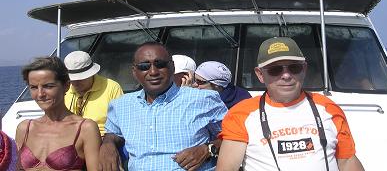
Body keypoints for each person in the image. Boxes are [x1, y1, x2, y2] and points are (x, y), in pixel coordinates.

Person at [217, 37, 364, 171]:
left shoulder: (328, 108)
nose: (286, 76)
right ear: (260, 75)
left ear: (304, 69)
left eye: (294, 67)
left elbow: (347, 161)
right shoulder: (240, 114)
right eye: (275, 70)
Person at [99, 41, 227, 171]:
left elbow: (234, 137)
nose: (153, 72)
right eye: (144, 66)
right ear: (134, 72)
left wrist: (208, 149)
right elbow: (113, 133)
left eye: (160, 64)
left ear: (172, 67)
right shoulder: (121, 105)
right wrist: (108, 144)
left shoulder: (203, 99)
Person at [15, 56, 101, 171]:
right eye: (34, 87)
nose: (40, 94)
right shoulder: (24, 128)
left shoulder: (85, 128)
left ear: (66, 86)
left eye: (48, 86)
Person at [64, 50, 124, 137]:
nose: (75, 82)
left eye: (80, 78)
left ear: (91, 74)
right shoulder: (64, 89)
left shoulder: (112, 87)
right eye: (72, 79)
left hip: (103, 138)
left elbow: (120, 124)